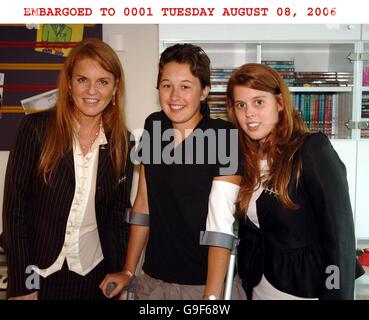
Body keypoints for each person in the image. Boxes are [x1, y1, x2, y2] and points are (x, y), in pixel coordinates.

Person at [100, 44, 244, 300]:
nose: (174, 96)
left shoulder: (224, 136)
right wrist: (129, 270)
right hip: (154, 281)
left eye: (186, 86)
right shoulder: (153, 126)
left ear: (204, 92)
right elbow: (143, 204)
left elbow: (221, 225)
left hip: (204, 284)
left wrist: (211, 297)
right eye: (167, 85)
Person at [2, 39, 133, 300]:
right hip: (37, 277)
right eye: (82, 80)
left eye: (103, 82)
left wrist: (118, 273)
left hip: (95, 278)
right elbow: (15, 211)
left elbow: (118, 215)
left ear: (115, 88)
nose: (92, 91)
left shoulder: (124, 143)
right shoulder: (35, 129)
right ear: (69, 84)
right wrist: (23, 284)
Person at [226, 63, 364, 300]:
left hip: (305, 290)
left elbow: (339, 238)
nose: (249, 113)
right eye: (241, 105)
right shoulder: (243, 158)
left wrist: (337, 295)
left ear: (279, 103)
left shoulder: (311, 150)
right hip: (257, 288)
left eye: (259, 102)